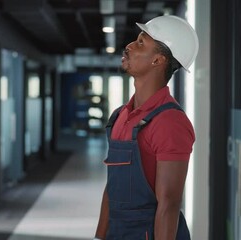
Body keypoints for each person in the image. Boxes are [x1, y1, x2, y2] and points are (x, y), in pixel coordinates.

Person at [94, 15, 199, 240]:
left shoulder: (170, 122)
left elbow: (168, 206)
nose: (130, 46)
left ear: (158, 60)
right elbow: (112, 189)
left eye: (141, 42)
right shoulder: (119, 116)